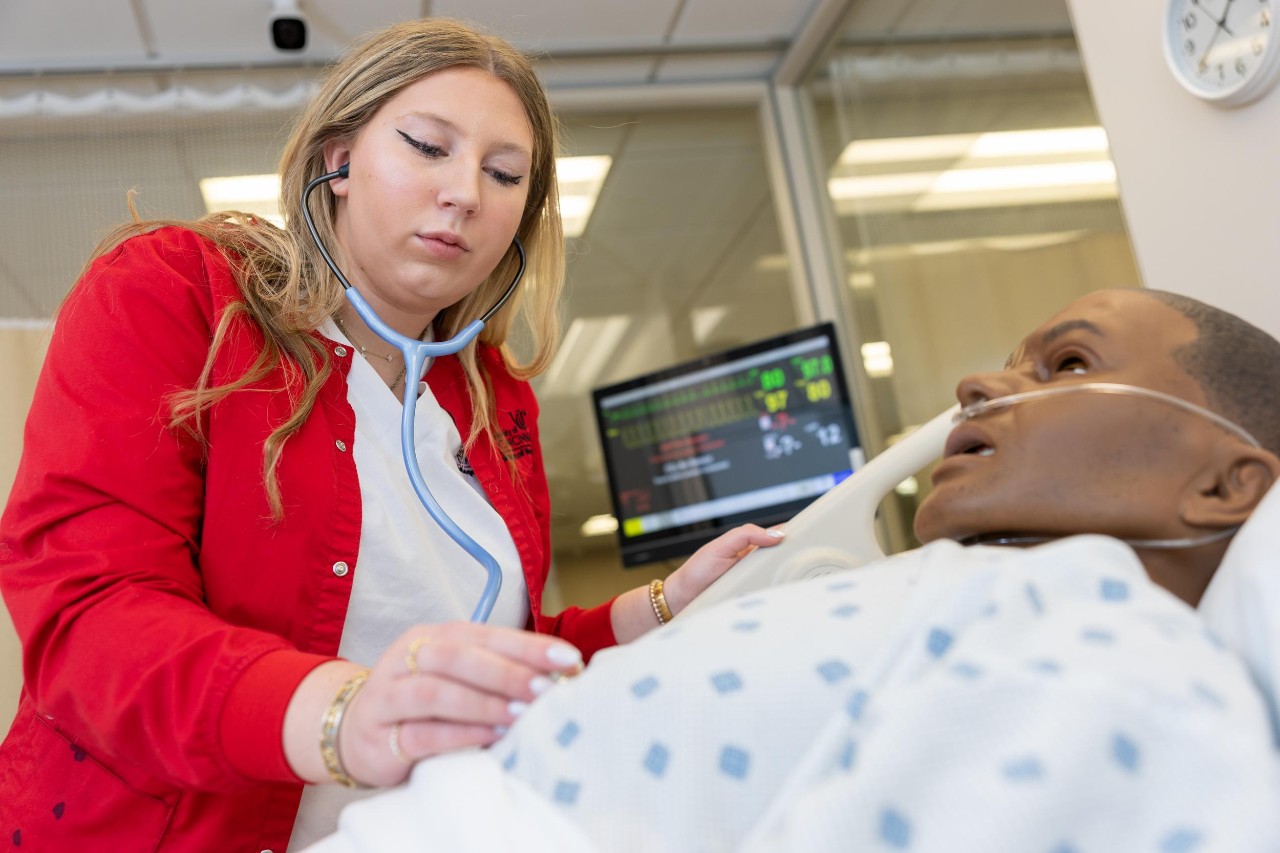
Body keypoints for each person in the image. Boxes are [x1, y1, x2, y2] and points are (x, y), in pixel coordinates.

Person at [0, 18, 782, 852]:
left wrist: (655, 609)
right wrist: (339, 714)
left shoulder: (493, 400)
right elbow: (92, 618)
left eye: (504, 173)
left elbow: (488, 653)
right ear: (338, 160)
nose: (466, 193)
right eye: (427, 147)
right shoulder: (177, 295)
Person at [307, 288, 1280, 853]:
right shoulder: (971, 599)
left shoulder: (1098, 649)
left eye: (1064, 364)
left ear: (1224, 483)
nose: (976, 385)